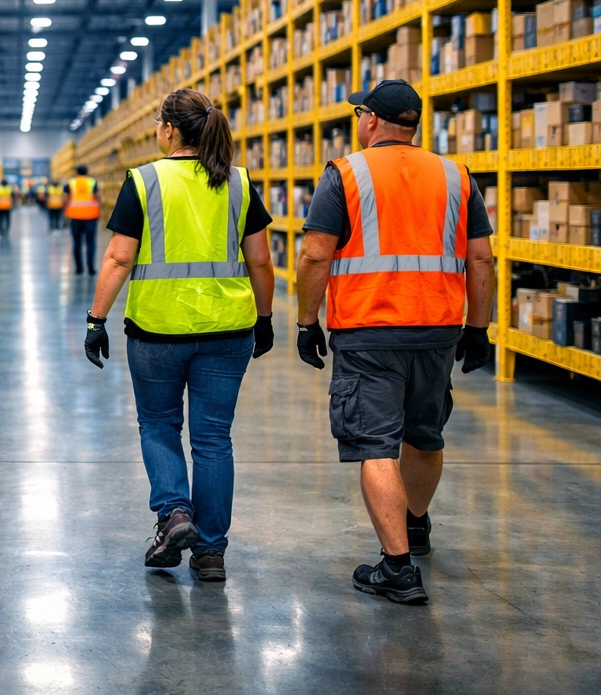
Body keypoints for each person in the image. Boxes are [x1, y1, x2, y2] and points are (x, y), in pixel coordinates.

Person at [294, 79, 496, 607]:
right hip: (437, 331)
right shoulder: (456, 175)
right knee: (424, 435)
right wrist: (479, 328)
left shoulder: (346, 174)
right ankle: (416, 525)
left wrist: (306, 322)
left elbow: (316, 256)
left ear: (371, 121)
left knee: (375, 443)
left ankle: (398, 567)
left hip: (368, 330)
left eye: (359, 113)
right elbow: (481, 260)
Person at [83, 89, 276, 583]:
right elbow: (260, 259)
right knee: (213, 440)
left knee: (159, 426)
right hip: (228, 328)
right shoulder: (238, 183)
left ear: (169, 129)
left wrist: (96, 319)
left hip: (157, 331)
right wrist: (267, 316)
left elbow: (119, 258)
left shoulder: (145, 180)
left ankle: (174, 515)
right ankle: (210, 553)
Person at [65, 166, 101, 275]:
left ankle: (79, 268)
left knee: (77, 243)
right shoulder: (92, 182)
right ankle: (91, 268)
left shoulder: (70, 183)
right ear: (87, 171)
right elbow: (98, 197)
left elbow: (65, 198)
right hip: (91, 216)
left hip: (75, 217)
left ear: (76, 171)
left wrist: (66, 211)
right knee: (90, 242)